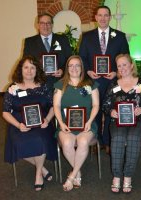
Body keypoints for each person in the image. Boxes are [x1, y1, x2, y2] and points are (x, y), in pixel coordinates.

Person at [102, 54, 141, 193]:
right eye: (119, 66)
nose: (122, 68)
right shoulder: (114, 84)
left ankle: (127, 176)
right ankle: (116, 176)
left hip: (140, 121)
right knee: (118, 138)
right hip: (118, 121)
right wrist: (111, 112)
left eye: (125, 64)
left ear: (131, 65)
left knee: (133, 137)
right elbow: (105, 105)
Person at [79, 5, 130, 152]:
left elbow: (125, 57)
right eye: (100, 15)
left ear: (110, 17)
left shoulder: (119, 36)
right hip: (93, 81)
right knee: (95, 111)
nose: (102, 18)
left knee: (110, 111)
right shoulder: (87, 36)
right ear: (96, 17)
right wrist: (88, 71)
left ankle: (108, 142)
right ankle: (97, 141)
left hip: (113, 81)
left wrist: (115, 71)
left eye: (106, 15)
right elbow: (82, 57)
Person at [2, 56, 57, 191]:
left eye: (33, 67)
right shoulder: (13, 88)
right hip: (20, 126)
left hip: (42, 124)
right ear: (21, 69)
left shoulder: (44, 87)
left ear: (37, 70)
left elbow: (53, 106)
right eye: (26, 67)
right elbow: (5, 112)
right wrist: (18, 125)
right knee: (19, 144)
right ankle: (43, 168)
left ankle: (38, 174)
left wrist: (48, 120)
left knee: (40, 140)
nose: (29, 71)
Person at [53, 55, 99, 191]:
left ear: (82, 68)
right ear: (67, 68)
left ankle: (72, 176)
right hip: (66, 124)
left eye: (77, 65)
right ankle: (77, 172)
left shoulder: (90, 84)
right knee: (67, 143)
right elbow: (56, 106)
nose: (74, 68)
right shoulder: (60, 84)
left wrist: (90, 121)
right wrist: (61, 123)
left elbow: (96, 105)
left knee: (83, 142)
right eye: (71, 65)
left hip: (87, 124)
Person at [23, 13, 72, 91]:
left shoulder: (63, 39)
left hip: (60, 83)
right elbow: (25, 62)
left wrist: (62, 70)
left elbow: (70, 59)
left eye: (48, 23)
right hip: (38, 84)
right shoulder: (29, 42)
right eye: (42, 23)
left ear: (52, 25)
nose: (45, 26)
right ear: (38, 25)